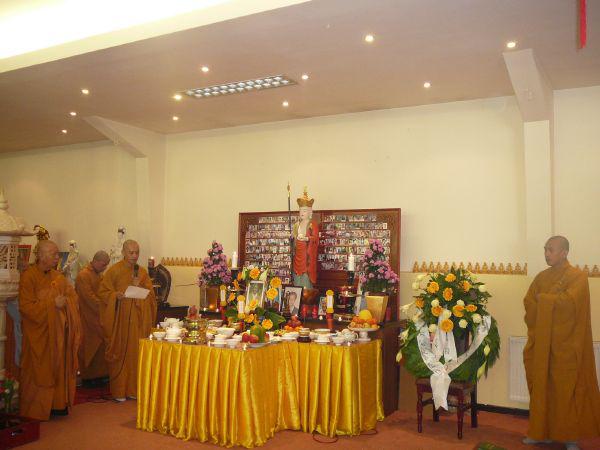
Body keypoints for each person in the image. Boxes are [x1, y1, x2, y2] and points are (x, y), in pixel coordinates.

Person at [523, 236, 600, 450]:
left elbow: (570, 305)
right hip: (542, 347)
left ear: (564, 253)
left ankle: (570, 438)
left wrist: (545, 300)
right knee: (542, 389)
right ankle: (541, 433)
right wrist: (547, 300)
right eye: (545, 249)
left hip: (567, 346)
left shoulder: (578, 277)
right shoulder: (541, 277)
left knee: (566, 392)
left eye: (551, 250)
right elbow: (529, 302)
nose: (546, 254)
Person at [19, 240, 81, 420]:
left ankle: (57, 404)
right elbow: (26, 307)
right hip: (38, 334)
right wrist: (51, 304)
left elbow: (73, 298)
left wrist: (66, 303)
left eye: (57, 254)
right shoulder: (29, 277)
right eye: (53, 254)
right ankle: (36, 408)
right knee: (38, 369)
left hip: (58, 333)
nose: (57, 258)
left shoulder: (58, 277)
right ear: (40, 255)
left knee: (59, 366)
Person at [98, 240, 156, 402]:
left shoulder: (142, 272)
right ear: (123, 252)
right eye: (131, 252)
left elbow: (151, 297)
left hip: (138, 322)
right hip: (120, 322)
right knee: (120, 353)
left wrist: (140, 287)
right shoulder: (114, 271)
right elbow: (103, 293)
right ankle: (119, 391)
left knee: (136, 355)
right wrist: (115, 296)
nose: (134, 256)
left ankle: (133, 389)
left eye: (137, 252)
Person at [75, 250, 110, 387]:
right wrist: (104, 306)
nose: (105, 268)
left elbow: (103, 293)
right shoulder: (83, 275)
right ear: (95, 261)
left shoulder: (99, 275)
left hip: (99, 316)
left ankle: (100, 375)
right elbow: (88, 297)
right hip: (87, 317)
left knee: (101, 346)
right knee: (88, 346)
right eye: (103, 265)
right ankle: (88, 377)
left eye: (106, 265)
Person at [292, 188, 318, 288]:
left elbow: (315, 239)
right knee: (297, 282)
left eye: (304, 210)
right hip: (298, 256)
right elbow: (294, 241)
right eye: (300, 210)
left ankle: (307, 295)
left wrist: (307, 239)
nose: (302, 213)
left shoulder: (312, 224)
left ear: (310, 212)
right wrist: (292, 238)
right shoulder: (296, 225)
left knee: (306, 282)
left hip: (307, 256)